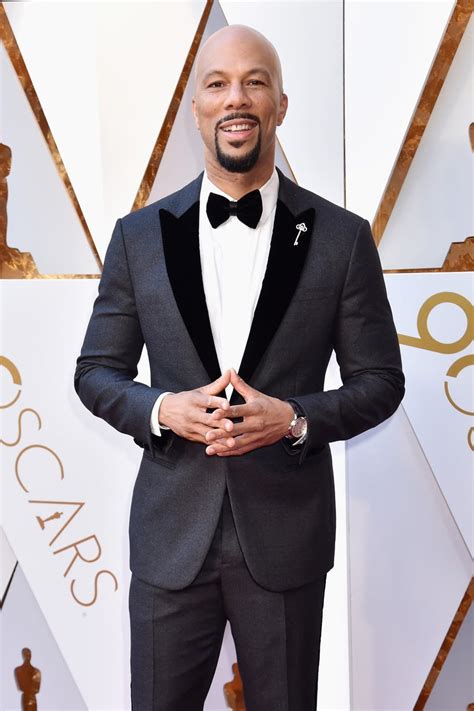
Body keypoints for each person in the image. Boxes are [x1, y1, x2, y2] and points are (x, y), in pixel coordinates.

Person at [74, 24, 404, 711]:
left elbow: (381, 381)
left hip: (287, 540)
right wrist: (165, 410)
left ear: (281, 105)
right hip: (170, 539)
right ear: (195, 107)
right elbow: (96, 371)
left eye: (255, 82)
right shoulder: (138, 236)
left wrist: (295, 417)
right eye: (218, 83)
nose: (237, 99)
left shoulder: (343, 239)